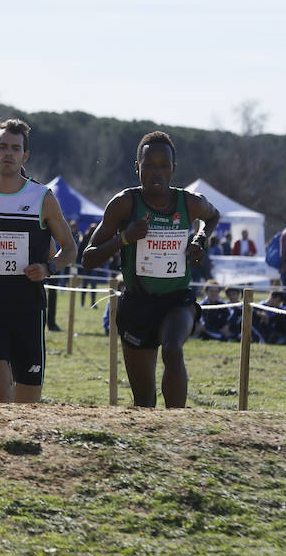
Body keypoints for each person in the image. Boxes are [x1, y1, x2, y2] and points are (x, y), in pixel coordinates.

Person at [81, 131, 220, 408]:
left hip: (177, 300)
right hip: (137, 303)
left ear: (173, 169)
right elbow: (88, 259)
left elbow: (213, 216)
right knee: (144, 399)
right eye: (149, 166)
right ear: (137, 167)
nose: (157, 173)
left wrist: (200, 238)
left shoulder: (189, 202)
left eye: (164, 166)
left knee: (172, 349)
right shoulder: (124, 204)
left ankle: (177, 425)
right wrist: (124, 238)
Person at [0, 120, 76, 403]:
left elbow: (70, 248)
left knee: (27, 399)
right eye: (3, 147)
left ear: (25, 156)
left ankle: (20, 442)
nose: (8, 153)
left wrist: (50, 268)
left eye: (15, 148)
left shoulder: (42, 198)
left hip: (28, 307)